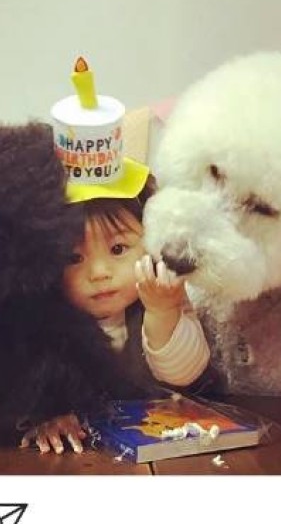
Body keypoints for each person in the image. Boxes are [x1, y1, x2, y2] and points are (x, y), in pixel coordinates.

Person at [21, 175, 211, 454]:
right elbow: (20, 383)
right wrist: (46, 415)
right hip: (79, 454)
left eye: (118, 249)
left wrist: (162, 312)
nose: (99, 272)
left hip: (160, 443)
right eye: (74, 258)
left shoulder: (163, 295)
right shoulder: (44, 319)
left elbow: (185, 374)